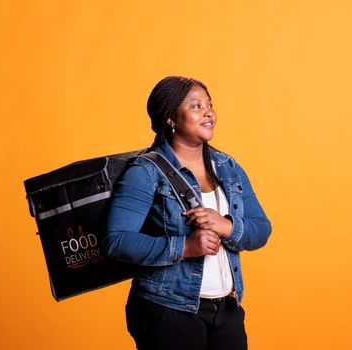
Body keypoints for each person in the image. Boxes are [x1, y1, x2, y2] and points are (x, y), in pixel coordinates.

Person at [102, 76, 272, 350]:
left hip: (227, 307)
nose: (208, 112)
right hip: (168, 308)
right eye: (196, 106)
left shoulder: (228, 167)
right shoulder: (146, 172)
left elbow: (261, 229)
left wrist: (225, 226)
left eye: (210, 105)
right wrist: (185, 247)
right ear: (170, 118)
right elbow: (116, 240)